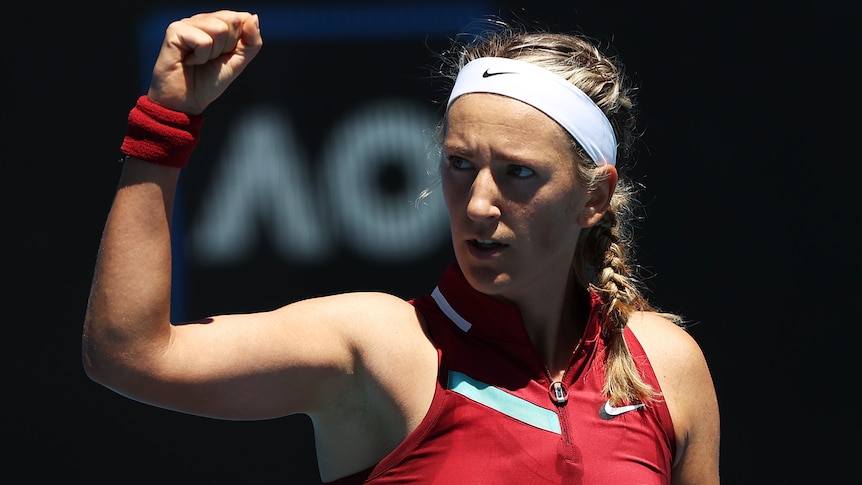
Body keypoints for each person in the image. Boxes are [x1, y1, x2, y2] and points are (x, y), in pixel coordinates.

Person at [83, 9, 719, 484]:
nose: (477, 202)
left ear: (594, 196)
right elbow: (129, 354)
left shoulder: (666, 365)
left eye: (518, 173)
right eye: (460, 164)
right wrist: (165, 123)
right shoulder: (374, 344)